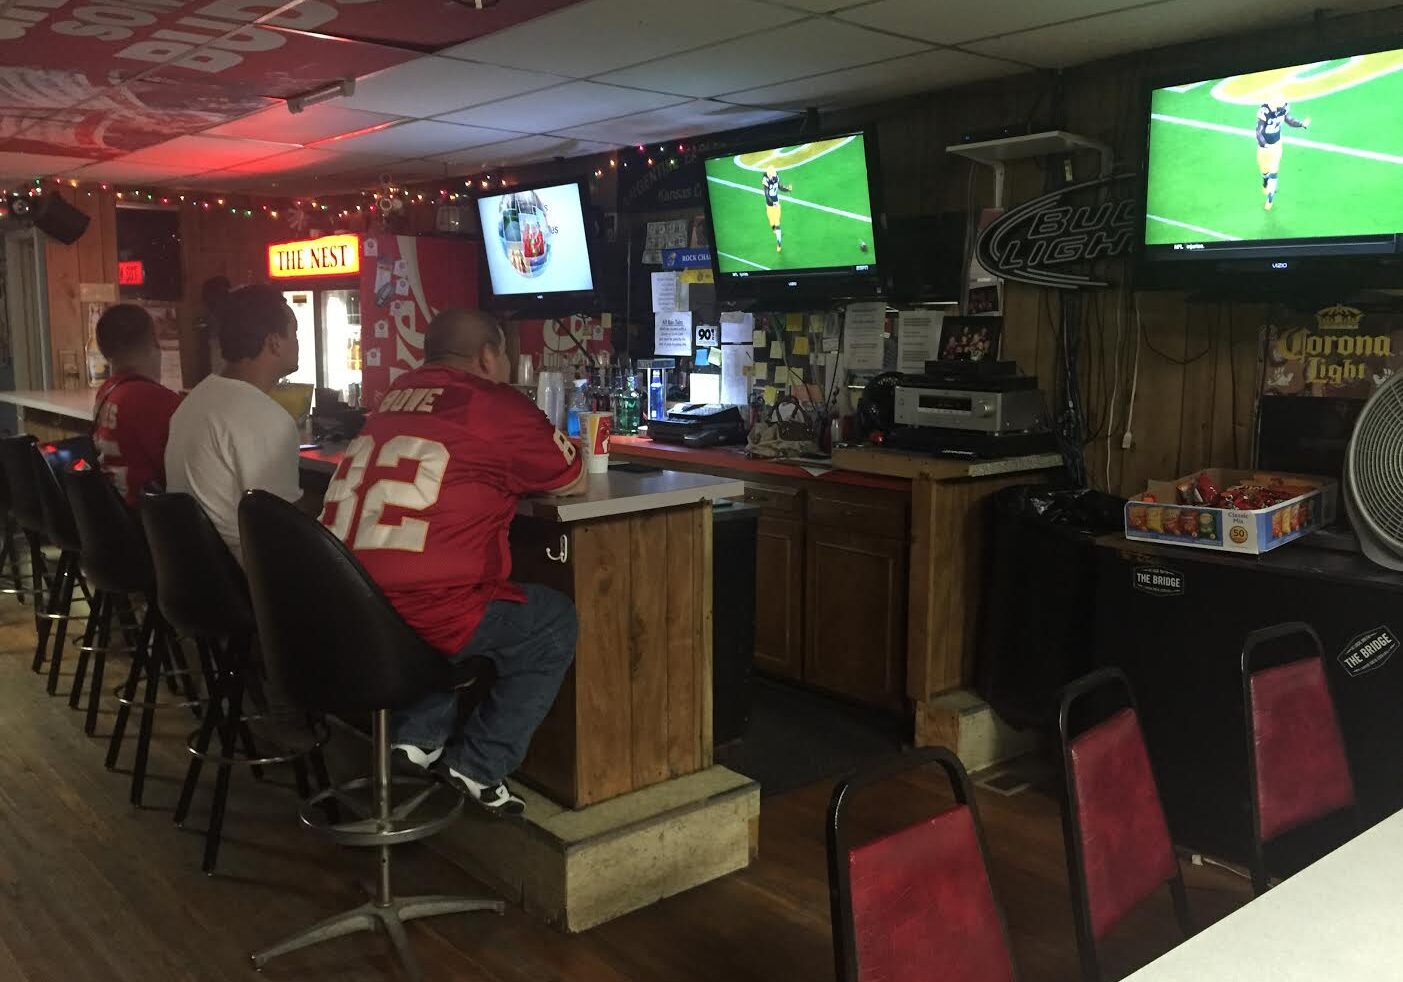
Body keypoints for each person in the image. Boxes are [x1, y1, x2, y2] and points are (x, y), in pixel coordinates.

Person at [318, 308, 586, 814]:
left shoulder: (392, 396)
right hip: (422, 615)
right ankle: (479, 765)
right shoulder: (495, 403)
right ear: (489, 355)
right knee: (550, 621)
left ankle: (416, 739)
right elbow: (570, 478)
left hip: (345, 608)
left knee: (442, 583)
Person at [165, 283, 302, 559]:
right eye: (295, 333)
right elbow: (282, 532)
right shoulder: (267, 419)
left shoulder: (192, 402)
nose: (298, 342)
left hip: (193, 572)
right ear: (274, 342)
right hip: (246, 581)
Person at [91, 304, 181, 505]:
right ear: (153, 344)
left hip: (117, 514)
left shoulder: (107, 390)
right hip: (149, 520)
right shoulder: (155, 399)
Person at [1256, 92, 1311, 211]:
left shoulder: (1284, 107)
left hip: (1276, 144)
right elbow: (1259, 133)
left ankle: (1270, 199)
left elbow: (1289, 120)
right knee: (1264, 169)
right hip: (1264, 147)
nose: (1282, 106)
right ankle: (1265, 180)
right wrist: (1265, 145)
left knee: (1274, 171)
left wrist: (1301, 124)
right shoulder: (1265, 111)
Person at [762, 165, 793, 253]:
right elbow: (767, 194)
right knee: (772, 223)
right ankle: (776, 232)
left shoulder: (775, 178)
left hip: (776, 205)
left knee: (777, 223)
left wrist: (787, 189)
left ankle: (779, 244)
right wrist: (772, 203)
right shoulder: (766, 180)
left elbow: (779, 186)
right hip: (770, 206)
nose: (774, 175)